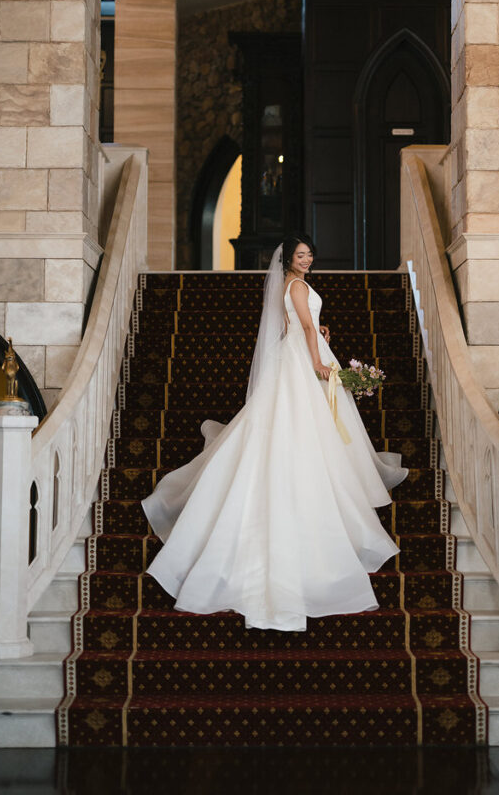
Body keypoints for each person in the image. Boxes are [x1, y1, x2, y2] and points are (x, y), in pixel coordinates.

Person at [142, 234, 408, 632]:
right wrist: (319, 361)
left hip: (298, 353)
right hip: (303, 361)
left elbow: (300, 325)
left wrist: (321, 335)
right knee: (301, 426)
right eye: (301, 255)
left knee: (295, 425)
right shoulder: (297, 284)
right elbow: (302, 323)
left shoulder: (290, 286)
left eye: (310, 254)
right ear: (288, 260)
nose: (307, 260)